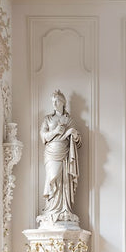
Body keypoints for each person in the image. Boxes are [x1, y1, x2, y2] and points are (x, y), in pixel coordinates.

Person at [38, 89, 82, 225]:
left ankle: (64, 209)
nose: (54, 104)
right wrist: (56, 131)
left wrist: (74, 134)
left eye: (57, 101)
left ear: (63, 102)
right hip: (51, 152)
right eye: (53, 101)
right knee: (52, 177)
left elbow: (78, 140)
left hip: (65, 153)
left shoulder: (69, 120)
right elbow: (43, 137)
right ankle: (51, 209)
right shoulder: (48, 119)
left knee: (64, 180)